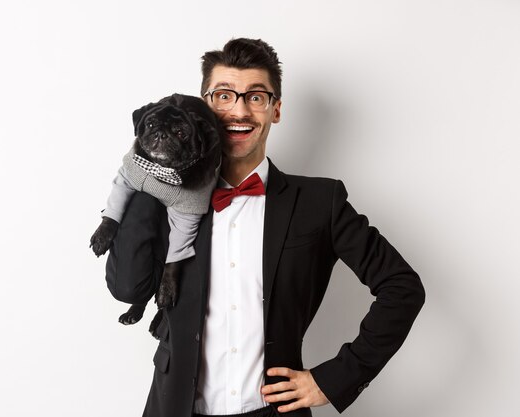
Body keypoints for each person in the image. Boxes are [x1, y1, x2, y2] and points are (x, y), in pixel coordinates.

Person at [105, 38, 425, 417]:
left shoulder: (320, 202)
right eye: (224, 96)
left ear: (276, 109)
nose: (239, 110)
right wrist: (153, 172)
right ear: (205, 107)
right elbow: (127, 288)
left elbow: (402, 287)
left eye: (256, 97)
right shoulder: (171, 196)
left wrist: (333, 379)